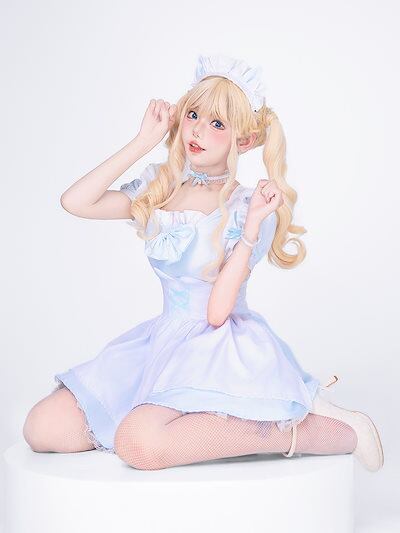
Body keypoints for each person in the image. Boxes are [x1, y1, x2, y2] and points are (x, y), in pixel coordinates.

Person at [23, 54, 384, 472]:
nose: (197, 131)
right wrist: (142, 142)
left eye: (217, 124)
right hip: (163, 340)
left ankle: (326, 431)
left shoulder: (248, 207)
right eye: (193, 115)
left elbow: (216, 314)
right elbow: (76, 202)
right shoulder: (160, 187)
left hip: (220, 345)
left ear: (244, 141)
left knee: (138, 443)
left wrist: (250, 230)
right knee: (42, 428)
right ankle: (183, 424)